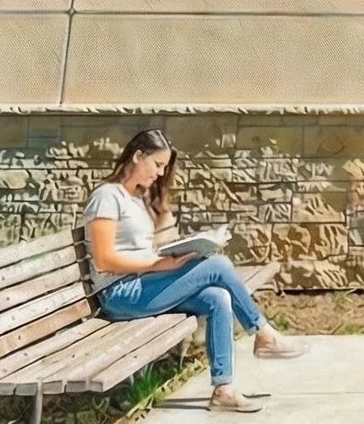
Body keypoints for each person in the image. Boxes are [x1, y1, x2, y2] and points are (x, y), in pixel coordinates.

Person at [83, 130, 305, 413]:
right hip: (120, 294)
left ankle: (223, 389)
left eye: (164, 167)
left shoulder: (134, 198)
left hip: (144, 283)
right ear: (138, 156)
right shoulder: (106, 196)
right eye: (157, 165)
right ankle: (264, 334)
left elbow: (137, 251)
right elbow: (104, 260)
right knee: (218, 265)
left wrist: (172, 254)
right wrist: (155, 264)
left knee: (216, 297)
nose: (161, 173)